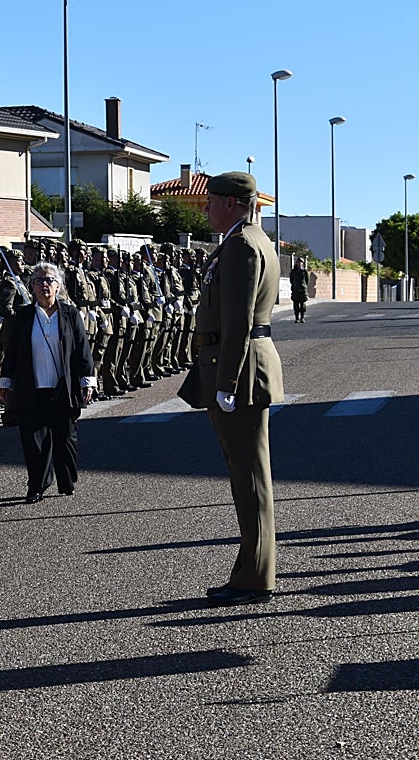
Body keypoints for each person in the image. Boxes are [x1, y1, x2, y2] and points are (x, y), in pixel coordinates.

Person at [178, 171, 284, 607]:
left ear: (233, 204)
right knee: (247, 477)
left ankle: (255, 578)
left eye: (211, 201)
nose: (205, 208)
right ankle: (250, 570)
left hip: (238, 370)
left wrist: (226, 382)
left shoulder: (242, 245)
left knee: (251, 480)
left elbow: (239, 319)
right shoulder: (252, 241)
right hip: (240, 366)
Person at [0, 262, 95, 504]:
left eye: (49, 280)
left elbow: (82, 349)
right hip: (32, 387)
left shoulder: (70, 313)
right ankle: (37, 485)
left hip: (63, 387)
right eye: (39, 280)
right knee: (34, 441)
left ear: (59, 285)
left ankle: (67, 479)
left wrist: (88, 380)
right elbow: (12, 351)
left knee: (66, 439)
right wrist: (6, 380)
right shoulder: (24, 316)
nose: (44, 285)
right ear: (31, 287)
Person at [289, 257, 309, 323]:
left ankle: (302, 317)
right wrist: (294, 285)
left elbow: (307, 280)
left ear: (302, 263)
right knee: (296, 305)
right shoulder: (293, 271)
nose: (300, 263)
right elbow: (291, 280)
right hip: (295, 290)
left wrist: (304, 286)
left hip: (302, 289)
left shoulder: (304, 271)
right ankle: (297, 318)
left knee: (303, 305)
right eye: (298, 262)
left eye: (301, 262)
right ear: (296, 263)